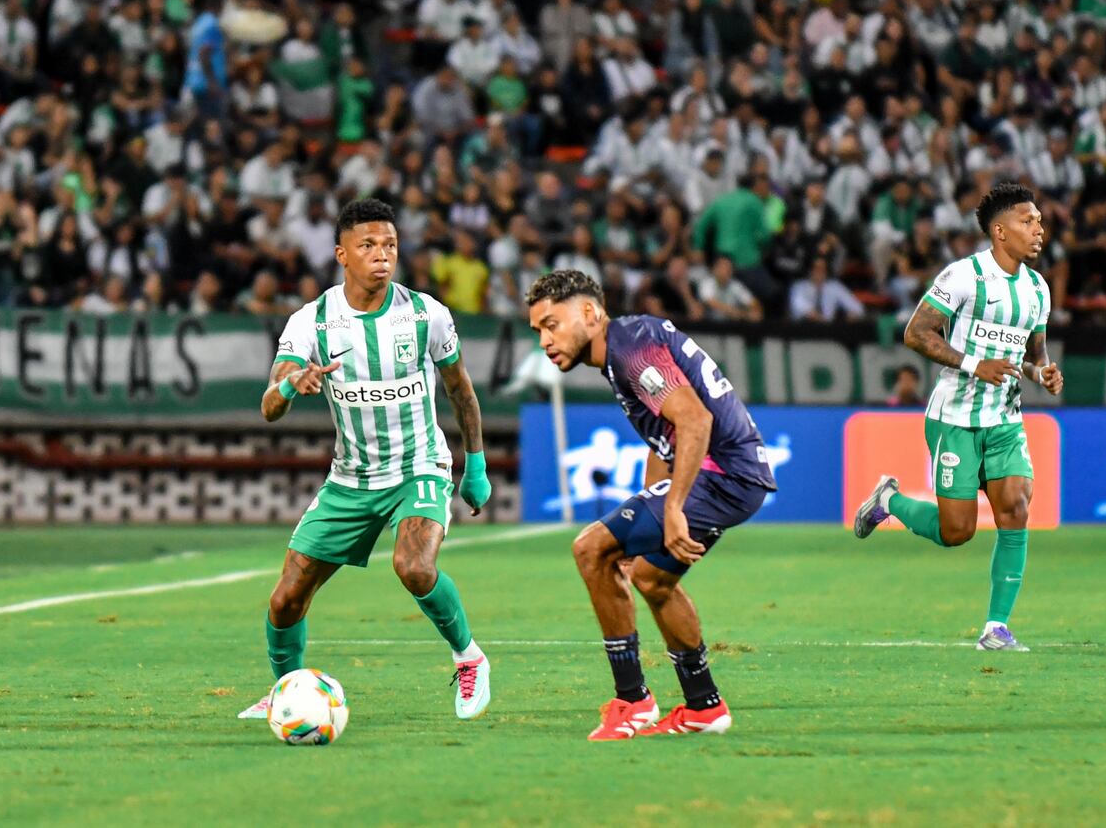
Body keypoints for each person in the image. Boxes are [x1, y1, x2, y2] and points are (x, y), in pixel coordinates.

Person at [239, 199, 494, 722]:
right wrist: (290, 383)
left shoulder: (426, 315)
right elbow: (268, 406)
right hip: (351, 479)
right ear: (342, 255)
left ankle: (469, 657)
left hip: (418, 466)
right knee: (286, 598)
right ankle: (287, 689)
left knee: (413, 565)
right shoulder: (312, 322)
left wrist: (477, 464)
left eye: (390, 245)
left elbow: (460, 390)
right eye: (368, 246)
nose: (383, 256)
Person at [525, 270, 777, 740]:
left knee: (590, 549)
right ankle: (704, 707)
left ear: (589, 312)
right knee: (650, 577)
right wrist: (649, 506)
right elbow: (667, 438)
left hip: (720, 473)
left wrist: (674, 507)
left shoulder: (628, 348)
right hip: (735, 475)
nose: (543, 340)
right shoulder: (627, 344)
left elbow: (695, 421)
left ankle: (632, 702)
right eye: (537, 329)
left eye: (551, 324)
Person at [854, 183, 1064, 652]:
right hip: (955, 416)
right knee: (958, 531)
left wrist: (1041, 372)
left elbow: (1033, 352)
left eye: (1040, 222)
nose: (1039, 230)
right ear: (999, 231)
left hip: (1005, 418)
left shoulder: (1037, 289)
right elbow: (916, 332)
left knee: (1016, 508)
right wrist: (974, 364)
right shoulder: (964, 276)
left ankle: (996, 627)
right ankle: (890, 500)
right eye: (1028, 222)